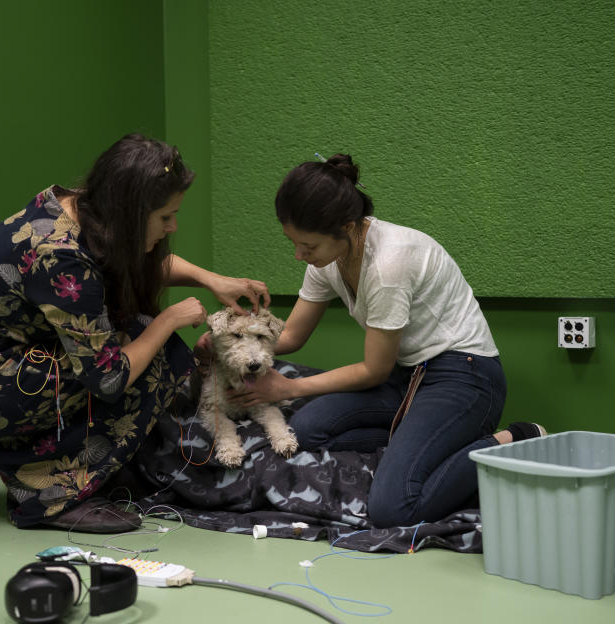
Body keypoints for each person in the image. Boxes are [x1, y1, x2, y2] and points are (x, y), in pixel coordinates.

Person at [0, 133, 269, 533]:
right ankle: (50, 496)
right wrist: (170, 320)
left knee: (140, 336)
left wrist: (211, 280)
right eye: (165, 217)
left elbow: (128, 263)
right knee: (152, 355)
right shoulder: (60, 255)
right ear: (131, 213)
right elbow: (108, 377)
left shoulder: (87, 209)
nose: (173, 226)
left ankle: (99, 469)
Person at [226, 153, 544, 528]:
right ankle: (430, 446)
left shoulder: (389, 265)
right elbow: (292, 335)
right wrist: (234, 343)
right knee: (307, 430)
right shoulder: (327, 258)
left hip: (465, 375)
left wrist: (288, 387)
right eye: (293, 243)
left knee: (394, 508)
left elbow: (374, 370)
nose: (299, 256)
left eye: (308, 247)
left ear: (345, 227)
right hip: (408, 376)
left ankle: (514, 439)